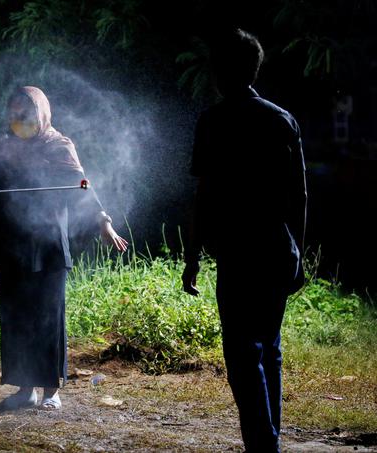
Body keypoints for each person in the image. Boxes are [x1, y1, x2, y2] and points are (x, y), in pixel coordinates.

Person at [0, 86, 128, 410]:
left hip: (47, 244)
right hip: (9, 245)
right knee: (15, 318)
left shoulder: (58, 146)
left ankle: (51, 390)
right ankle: (24, 388)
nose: (19, 119)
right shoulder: (2, 147)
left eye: (25, 114)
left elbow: (82, 189)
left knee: (48, 318)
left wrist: (104, 224)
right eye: (14, 114)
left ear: (41, 113)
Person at [181, 29, 307, 452]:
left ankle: (262, 445)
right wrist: (299, 254)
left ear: (219, 71)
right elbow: (299, 196)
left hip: (236, 253)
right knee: (268, 348)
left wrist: (192, 256)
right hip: (275, 249)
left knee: (241, 356)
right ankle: (267, 441)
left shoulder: (213, 121)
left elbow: (203, 194)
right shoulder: (280, 119)